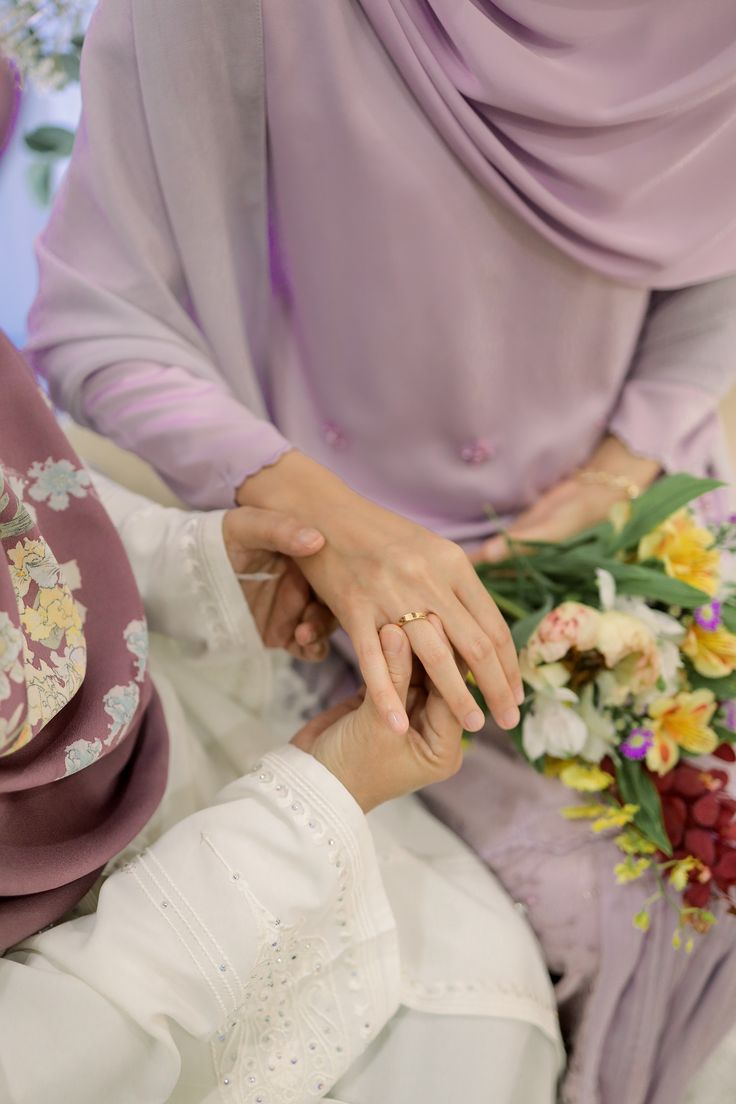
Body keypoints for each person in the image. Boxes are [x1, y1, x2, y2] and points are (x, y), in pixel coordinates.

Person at [25, 2, 736, 1100]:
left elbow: (713, 248)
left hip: (625, 537)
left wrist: (606, 480)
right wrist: (332, 524)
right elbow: (98, 314)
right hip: (290, 584)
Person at [0, 332, 562, 1102]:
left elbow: (37, 498)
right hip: (111, 968)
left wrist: (198, 565)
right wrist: (317, 798)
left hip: (165, 733)